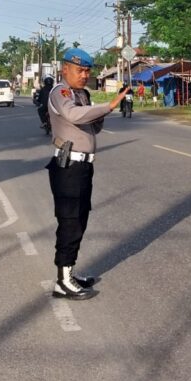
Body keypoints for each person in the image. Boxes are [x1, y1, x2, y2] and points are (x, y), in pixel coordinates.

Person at [47, 49, 132, 300]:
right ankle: (62, 281)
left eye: (87, 71)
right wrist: (109, 105)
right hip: (68, 167)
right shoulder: (60, 92)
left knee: (80, 220)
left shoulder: (82, 94)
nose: (84, 75)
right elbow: (73, 115)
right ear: (65, 70)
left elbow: (93, 126)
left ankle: (69, 272)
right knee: (70, 221)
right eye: (79, 70)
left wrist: (105, 110)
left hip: (83, 167)